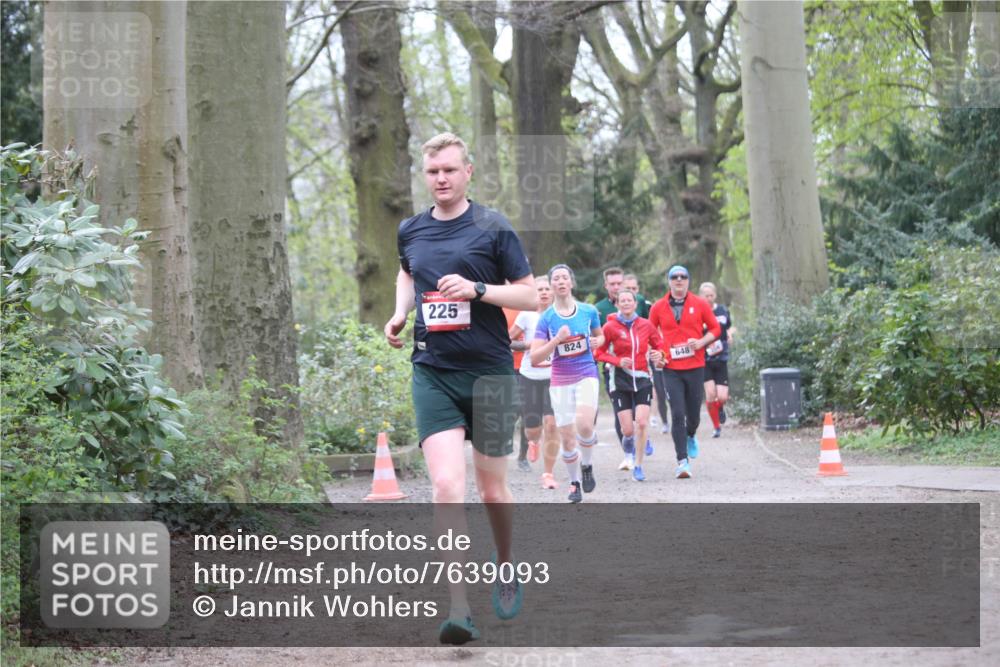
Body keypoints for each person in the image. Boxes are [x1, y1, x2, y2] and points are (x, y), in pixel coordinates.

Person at [384, 132, 537, 645]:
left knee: (492, 488)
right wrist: (400, 313)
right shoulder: (411, 229)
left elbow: (531, 296)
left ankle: (506, 562)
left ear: (468, 171)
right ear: (424, 175)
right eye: (433, 172)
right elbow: (407, 273)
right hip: (433, 371)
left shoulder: (493, 227)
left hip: (491, 372)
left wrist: (477, 290)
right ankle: (458, 607)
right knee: (447, 487)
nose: (442, 179)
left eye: (450, 169)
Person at [530, 264, 604, 503]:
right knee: (567, 437)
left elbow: (600, 335)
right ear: (551, 286)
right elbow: (535, 356)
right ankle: (574, 484)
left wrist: (596, 342)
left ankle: (588, 465)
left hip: (586, 373)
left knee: (584, 425)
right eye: (556, 279)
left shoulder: (588, 310)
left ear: (571, 283)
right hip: (560, 379)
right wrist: (556, 341)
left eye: (564, 278)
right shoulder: (546, 318)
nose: (561, 282)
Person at [648, 265, 720, 479]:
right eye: (674, 277)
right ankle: (682, 462)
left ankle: (691, 434)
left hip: (695, 366)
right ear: (668, 281)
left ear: (689, 280)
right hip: (670, 368)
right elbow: (650, 334)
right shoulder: (658, 307)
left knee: (694, 416)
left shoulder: (699, 303)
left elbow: (716, 329)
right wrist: (656, 354)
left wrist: (700, 342)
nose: (679, 280)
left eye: (683, 277)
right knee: (677, 414)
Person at [594, 289, 664, 482]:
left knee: (641, 423)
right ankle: (629, 446)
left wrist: (660, 356)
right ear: (617, 304)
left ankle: (638, 466)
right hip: (619, 381)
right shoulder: (609, 327)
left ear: (635, 304)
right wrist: (617, 361)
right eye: (621, 301)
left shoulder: (646, 325)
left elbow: (660, 346)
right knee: (628, 430)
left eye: (629, 300)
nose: (625, 303)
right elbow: (598, 353)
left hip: (642, 378)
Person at [508, 276, 560, 489]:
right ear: (534, 293)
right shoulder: (526, 316)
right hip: (529, 376)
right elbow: (507, 341)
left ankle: (549, 471)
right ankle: (532, 442)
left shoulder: (560, 315)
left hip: (554, 377)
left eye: (547, 289)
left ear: (553, 292)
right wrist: (529, 345)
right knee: (532, 427)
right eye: (540, 289)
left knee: (551, 423)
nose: (544, 293)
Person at [593, 267, 629, 467]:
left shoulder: (638, 302)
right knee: (620, 410)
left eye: (619, 283)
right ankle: (628, 452)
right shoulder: (598, 309)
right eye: (612, 284)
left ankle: (640, 435)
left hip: (638, 366)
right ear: (606, 286)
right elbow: (594, 338)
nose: (616, 287)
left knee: (639, 411)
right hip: (612, 369)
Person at [698, 282, 733, 438]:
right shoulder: (697, 313)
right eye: (706, 296)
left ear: (715, 295)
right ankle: (716, 426)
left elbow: (729, 327)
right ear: (701, 296)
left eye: (711, 295)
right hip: (705, 359)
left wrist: (730, 334)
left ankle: (720, 408)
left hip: (721, 357)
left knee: (723, 396)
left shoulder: (722, 311)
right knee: (711, 395)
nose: (709, 298)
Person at [504, 306, 531, 471]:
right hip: (505, 366)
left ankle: (523, 456)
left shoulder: (531, 307)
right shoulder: (497, 306)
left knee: (526, 412)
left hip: (529, 366)